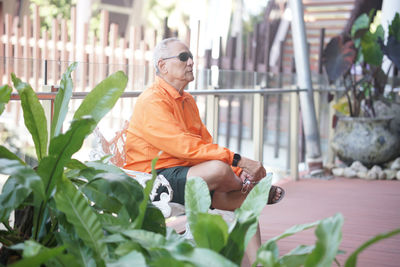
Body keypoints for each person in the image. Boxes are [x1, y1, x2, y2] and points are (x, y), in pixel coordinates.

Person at [124, 37, 285, 264]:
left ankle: (261, 261)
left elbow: (204, 144)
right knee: (220, 171)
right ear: (163, 66)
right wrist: (239, 162)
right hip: (155, 178)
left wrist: (238, 170)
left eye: (190, 57)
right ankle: (251, 190)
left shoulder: (187, 100)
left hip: (186, 172)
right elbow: (184, 147)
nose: (190, 62)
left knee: (245, 201)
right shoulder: (152, 100)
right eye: (183, 57)